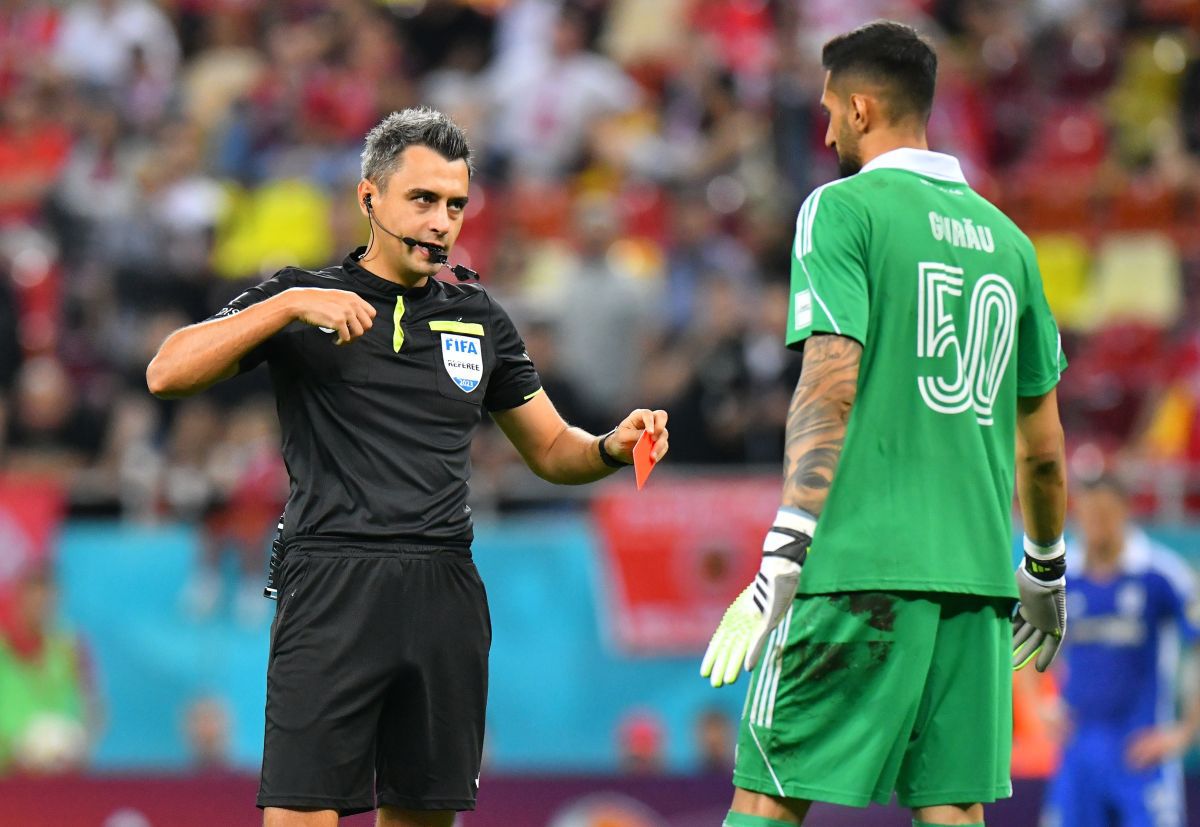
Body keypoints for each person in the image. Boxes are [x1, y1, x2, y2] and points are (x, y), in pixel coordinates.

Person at [146, 106, 669, 827]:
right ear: (371, 198)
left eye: (455, 205)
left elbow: (551, 449)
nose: (440, 222)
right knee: (299, 816)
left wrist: (611, 444)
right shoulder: (306, 298)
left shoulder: (479, 318)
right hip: (330, 583)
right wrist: (290, 303)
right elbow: (166, 372)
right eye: (422, 200)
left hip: (443, 588)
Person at [699, 21, 1068, 827]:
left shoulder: (841, 209)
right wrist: (1043, 566)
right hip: (976, 577)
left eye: (830, 110)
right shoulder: (1013, 244)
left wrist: (780, 558)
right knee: (954, 807)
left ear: (862, 109)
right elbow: (1041, 446)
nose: (825, 129)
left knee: (770, 789)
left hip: (856, 567)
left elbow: (827, 386)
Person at [1042, 474, 1200, 827]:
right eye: (1088, 512)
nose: (1096, 522)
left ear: (1125, 512)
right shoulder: (1063, 578)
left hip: (1141, 749)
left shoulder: (1160, 573)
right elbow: (1025, 641)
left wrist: (1185, 731)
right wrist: (1044, 706)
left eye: (1106, 513)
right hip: (1078, 750)